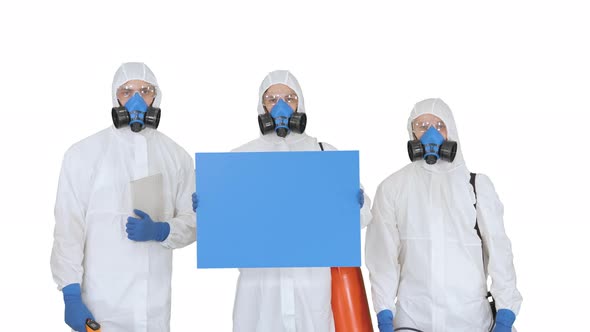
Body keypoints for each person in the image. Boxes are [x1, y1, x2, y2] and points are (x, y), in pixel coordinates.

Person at [193, 70, 372, 332]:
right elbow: (223, 229)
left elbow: (364, 217)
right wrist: (207, 210)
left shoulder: (324, 154)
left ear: (300, 103)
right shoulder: (239, 159)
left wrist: (356, 204)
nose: (281, 105)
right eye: (272, 98)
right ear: (261, 105)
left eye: (289, 97)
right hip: (260, 289)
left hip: (311, 286)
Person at [51, 62, 196, 332]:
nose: (137, 99)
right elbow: (68, 227)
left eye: (146, 90)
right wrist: (70, 294)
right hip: (101, 307)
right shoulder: (83, 154)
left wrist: (164, 229)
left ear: (157, 96)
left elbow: (194, 220)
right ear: (115, 96)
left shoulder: (177, 157)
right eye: (127, 91)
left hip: (155, 309)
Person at [365, 98, 522, 332]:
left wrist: (506, 312)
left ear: (452, 129)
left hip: (470, 320)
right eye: (422, 125)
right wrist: (384, 313)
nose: (431, 133)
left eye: (439, 125)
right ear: (412, 132)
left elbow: (500, 251)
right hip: (413, 319)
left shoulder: (476, 186)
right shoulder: (392, 188)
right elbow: (383, 257)